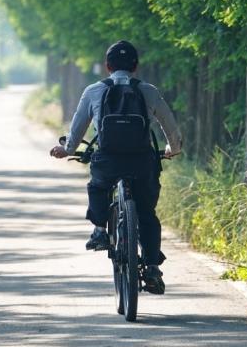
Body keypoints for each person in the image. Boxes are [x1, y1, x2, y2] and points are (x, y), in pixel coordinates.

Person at [50, 40, 182, 294]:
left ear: (107, 66)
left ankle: (100, 230)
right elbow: (170, 125)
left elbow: (77, 128)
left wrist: (67, 149)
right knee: (147, 213)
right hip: (142, 162)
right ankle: (152, 267)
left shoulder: (94, 91)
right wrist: (173, 149)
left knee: (98, 186)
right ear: (136, 66)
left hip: (108, 160)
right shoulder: (148, 91)